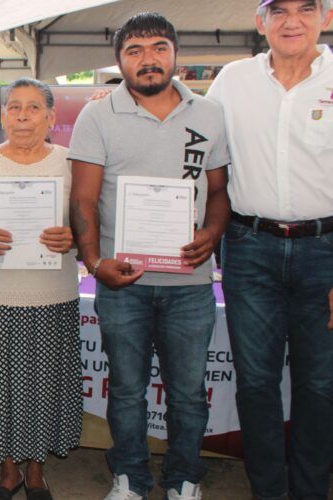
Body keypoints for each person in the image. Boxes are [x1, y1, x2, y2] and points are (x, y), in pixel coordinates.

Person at [68, 13, 230, 500]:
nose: (148, 59)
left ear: (175, 53)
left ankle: (183, 479)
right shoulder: (98, 115)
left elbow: (219, 191)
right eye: (134, 51)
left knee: (186, 393)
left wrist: (213, 231)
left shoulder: (210, 114)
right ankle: (131, 478)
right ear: (120, 60)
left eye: (159, 47)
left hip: (191, 285)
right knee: (125, 390)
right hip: (123, 283)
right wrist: (95, 263)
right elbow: (82, 200)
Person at [206, 1, 333, 498]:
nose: (291, 20)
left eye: (306, 7)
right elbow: (201, 158)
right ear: (260, 22)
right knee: (256, 385)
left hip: (326, 252)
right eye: (276, 9)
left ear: (324, 16)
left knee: (320, 387)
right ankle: (268, 492)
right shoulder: (232, 80)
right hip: (249, 248)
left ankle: (309, 492)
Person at [0, 78, 80, 500]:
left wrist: (74, 238)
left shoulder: (70, 162)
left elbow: (88, 225)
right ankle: (8, 473)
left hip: (52, 295)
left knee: (45, 381)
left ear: (51, 117)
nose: (22, 116)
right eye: (13, 107)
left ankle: (37, 471)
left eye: (32, 107)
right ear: (2, 115)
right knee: (0, 383)